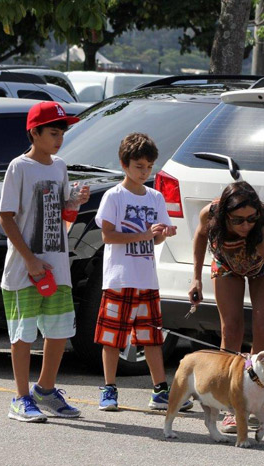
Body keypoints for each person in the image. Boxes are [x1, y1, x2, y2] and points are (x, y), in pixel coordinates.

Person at [0, 101, 90, 422]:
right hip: (25, 269)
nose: (59, 138)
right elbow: (5, 217)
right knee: (23, 334)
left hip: (56, 265)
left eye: (62, 132)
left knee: (59, 330)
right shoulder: (19, 167)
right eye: (53, 132)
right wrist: (30, 260)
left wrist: (75, 203)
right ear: (34, 132)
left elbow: (64, 218)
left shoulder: (60, 166)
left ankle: (45, 390)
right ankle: (20, 397)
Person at [188, 181, 264, 432]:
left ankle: (252, 402)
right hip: (227, 265)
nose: (245, 225)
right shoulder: (210, 213)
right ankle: (230, 402)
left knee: (262, 328)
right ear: (225, 214)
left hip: (261, 269)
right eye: (238, 220)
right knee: (231, 329)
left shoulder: (261, 232)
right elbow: (199, 236)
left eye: (250, 219)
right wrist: (196, 277)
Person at [93, 132, 192, 412]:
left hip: (147, 278)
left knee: (151, 337)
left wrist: (162, 233)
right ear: (125, 165)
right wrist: (145, 234)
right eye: (139, 166)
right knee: (112, 337)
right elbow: (108, 236)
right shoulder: (114, 196)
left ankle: (160, 390)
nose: (144, 172)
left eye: (149, 167)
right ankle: (109, 388)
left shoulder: (156, 197)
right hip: (119, 278)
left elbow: (155, 238)